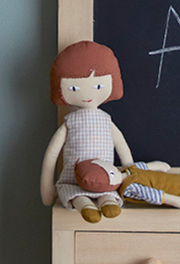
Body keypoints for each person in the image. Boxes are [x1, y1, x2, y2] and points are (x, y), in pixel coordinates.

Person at [40, 41, 134, 223]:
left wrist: (131, 171)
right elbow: (51, 157)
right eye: (73, 88)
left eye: (98, 86)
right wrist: (48, 190)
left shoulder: (106, 120)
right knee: (77, 195)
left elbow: (122, 147)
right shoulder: (70, 122)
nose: (88, 94)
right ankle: (85, 205)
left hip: (106, 180)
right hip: (73, 180)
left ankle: (107, 201)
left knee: (107, 194)